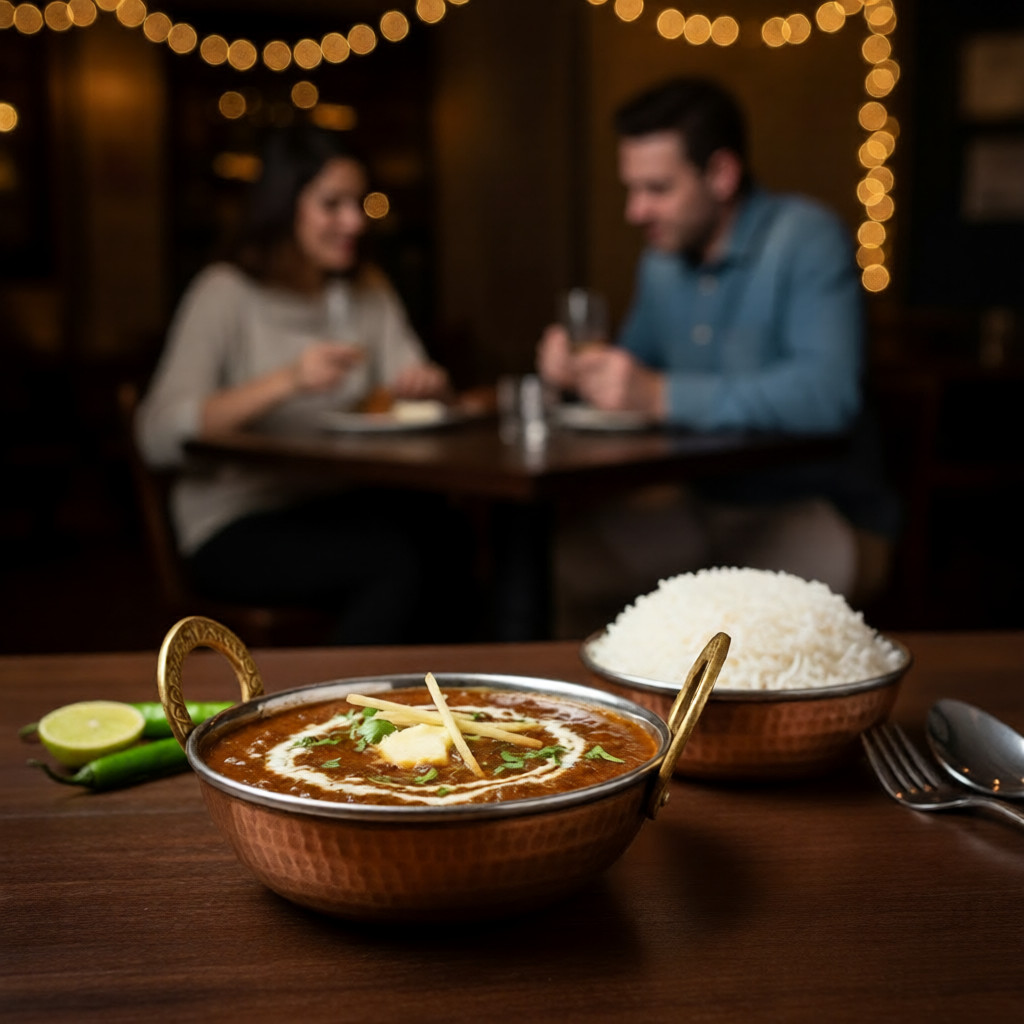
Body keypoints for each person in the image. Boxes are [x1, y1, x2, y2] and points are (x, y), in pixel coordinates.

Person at [537, 77, 898, 636]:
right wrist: (577, 374)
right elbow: (630, 376)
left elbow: (828, 396)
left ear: (722, 174)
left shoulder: (807, 238)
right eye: (631, 189)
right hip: (696, 502)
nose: (636, 210)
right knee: (561, 569)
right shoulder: (661, 259)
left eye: (657, 188)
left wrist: (661, 395)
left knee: (726, 627)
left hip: (814, 505)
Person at [137, 124, 469, 644]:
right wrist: (287, 380)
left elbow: (417, 384)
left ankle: (450, 688)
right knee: (393, 559)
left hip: (337, 501)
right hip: (234, 521)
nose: (355, 221)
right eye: (332, 204)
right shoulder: (224, 293)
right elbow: (155, 434)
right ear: (282, 206)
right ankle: (352, 694)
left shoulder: (366, 288)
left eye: (357, 202)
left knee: (447, 531)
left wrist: (431, 386)